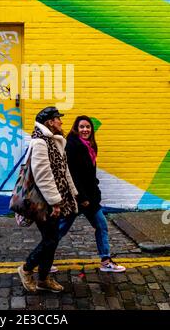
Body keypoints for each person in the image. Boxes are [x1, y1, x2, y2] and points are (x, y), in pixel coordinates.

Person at [17, 106, 79, 293]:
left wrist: (72, 192)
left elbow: (62, 170)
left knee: (51, 239)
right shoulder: (40, 143)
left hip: (56, 199)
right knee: (50, 240)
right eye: (58, 119)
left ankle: (44, 278)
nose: (61, 121)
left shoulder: (55, 142)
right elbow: (43, 175)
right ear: (50, 122)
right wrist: (55, 203)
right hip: (44, 202)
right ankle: (26, 269)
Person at [58, 115, 126, 272]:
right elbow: (72, 174)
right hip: (78, 198)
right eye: (81, 127)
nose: (85, 129)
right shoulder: (72, 146)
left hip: (90, 198)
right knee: (60, 229)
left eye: (88, 127)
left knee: (101, 226)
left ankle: (106, 260)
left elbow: (90, 174)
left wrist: (94, 192)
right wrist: (81, 197)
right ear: (76, 128)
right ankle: (43, 261)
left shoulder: (91, 146)